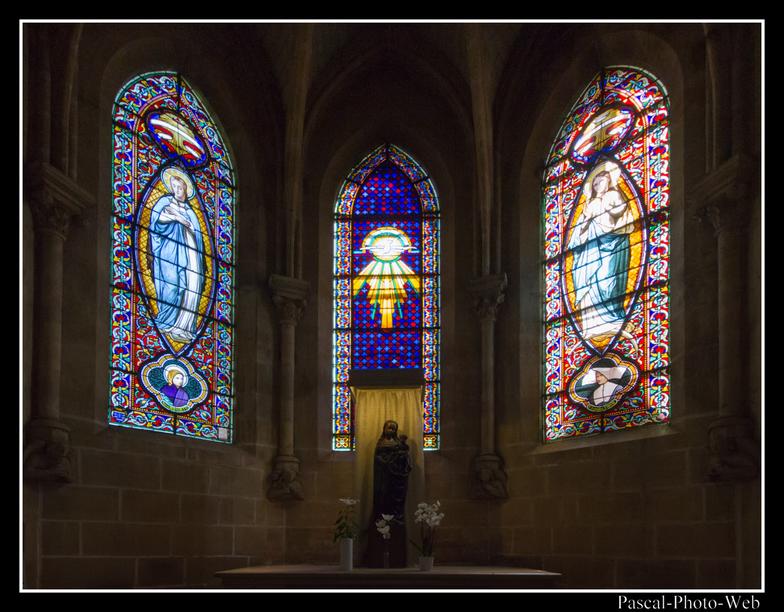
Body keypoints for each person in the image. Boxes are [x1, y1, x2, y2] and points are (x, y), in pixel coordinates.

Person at [567, 167, 635, 343]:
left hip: (611, 244)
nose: (598, 185)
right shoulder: (589, 204)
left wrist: (608, 210)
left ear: (609, 182)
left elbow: (622, 213)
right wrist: (585, 224)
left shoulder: (614, 196)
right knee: (590, 284)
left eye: (602, 181)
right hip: (590, 250)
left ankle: (613, 319)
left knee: (608, 281)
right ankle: (592, 325)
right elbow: (578, 233)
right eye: (595, 183)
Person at [149, 167, 204, 344]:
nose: (177, 191)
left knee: (191, 287)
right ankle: (167, 321)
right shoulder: (165, 204)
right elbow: (155, 225)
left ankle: (186, 327)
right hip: (170, 253)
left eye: (180, 187)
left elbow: (197, 234)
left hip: (191, 254)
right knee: (172, 285)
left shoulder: (191, 212)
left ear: (186, 190)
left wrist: (183, 221)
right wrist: (176, 219)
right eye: (175, 187)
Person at [365, 420, 412, 568]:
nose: (391, 430)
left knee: (395, 500)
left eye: (393, 428)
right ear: (384, 429)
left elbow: (405, 460)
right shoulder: (380, 444)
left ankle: (395, 516)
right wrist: (385, 462)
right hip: (383, 478)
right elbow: (377, 459)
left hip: (396, 479)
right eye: (388, 427)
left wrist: (400, 456)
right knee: (382, 498)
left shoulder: (399, 444)